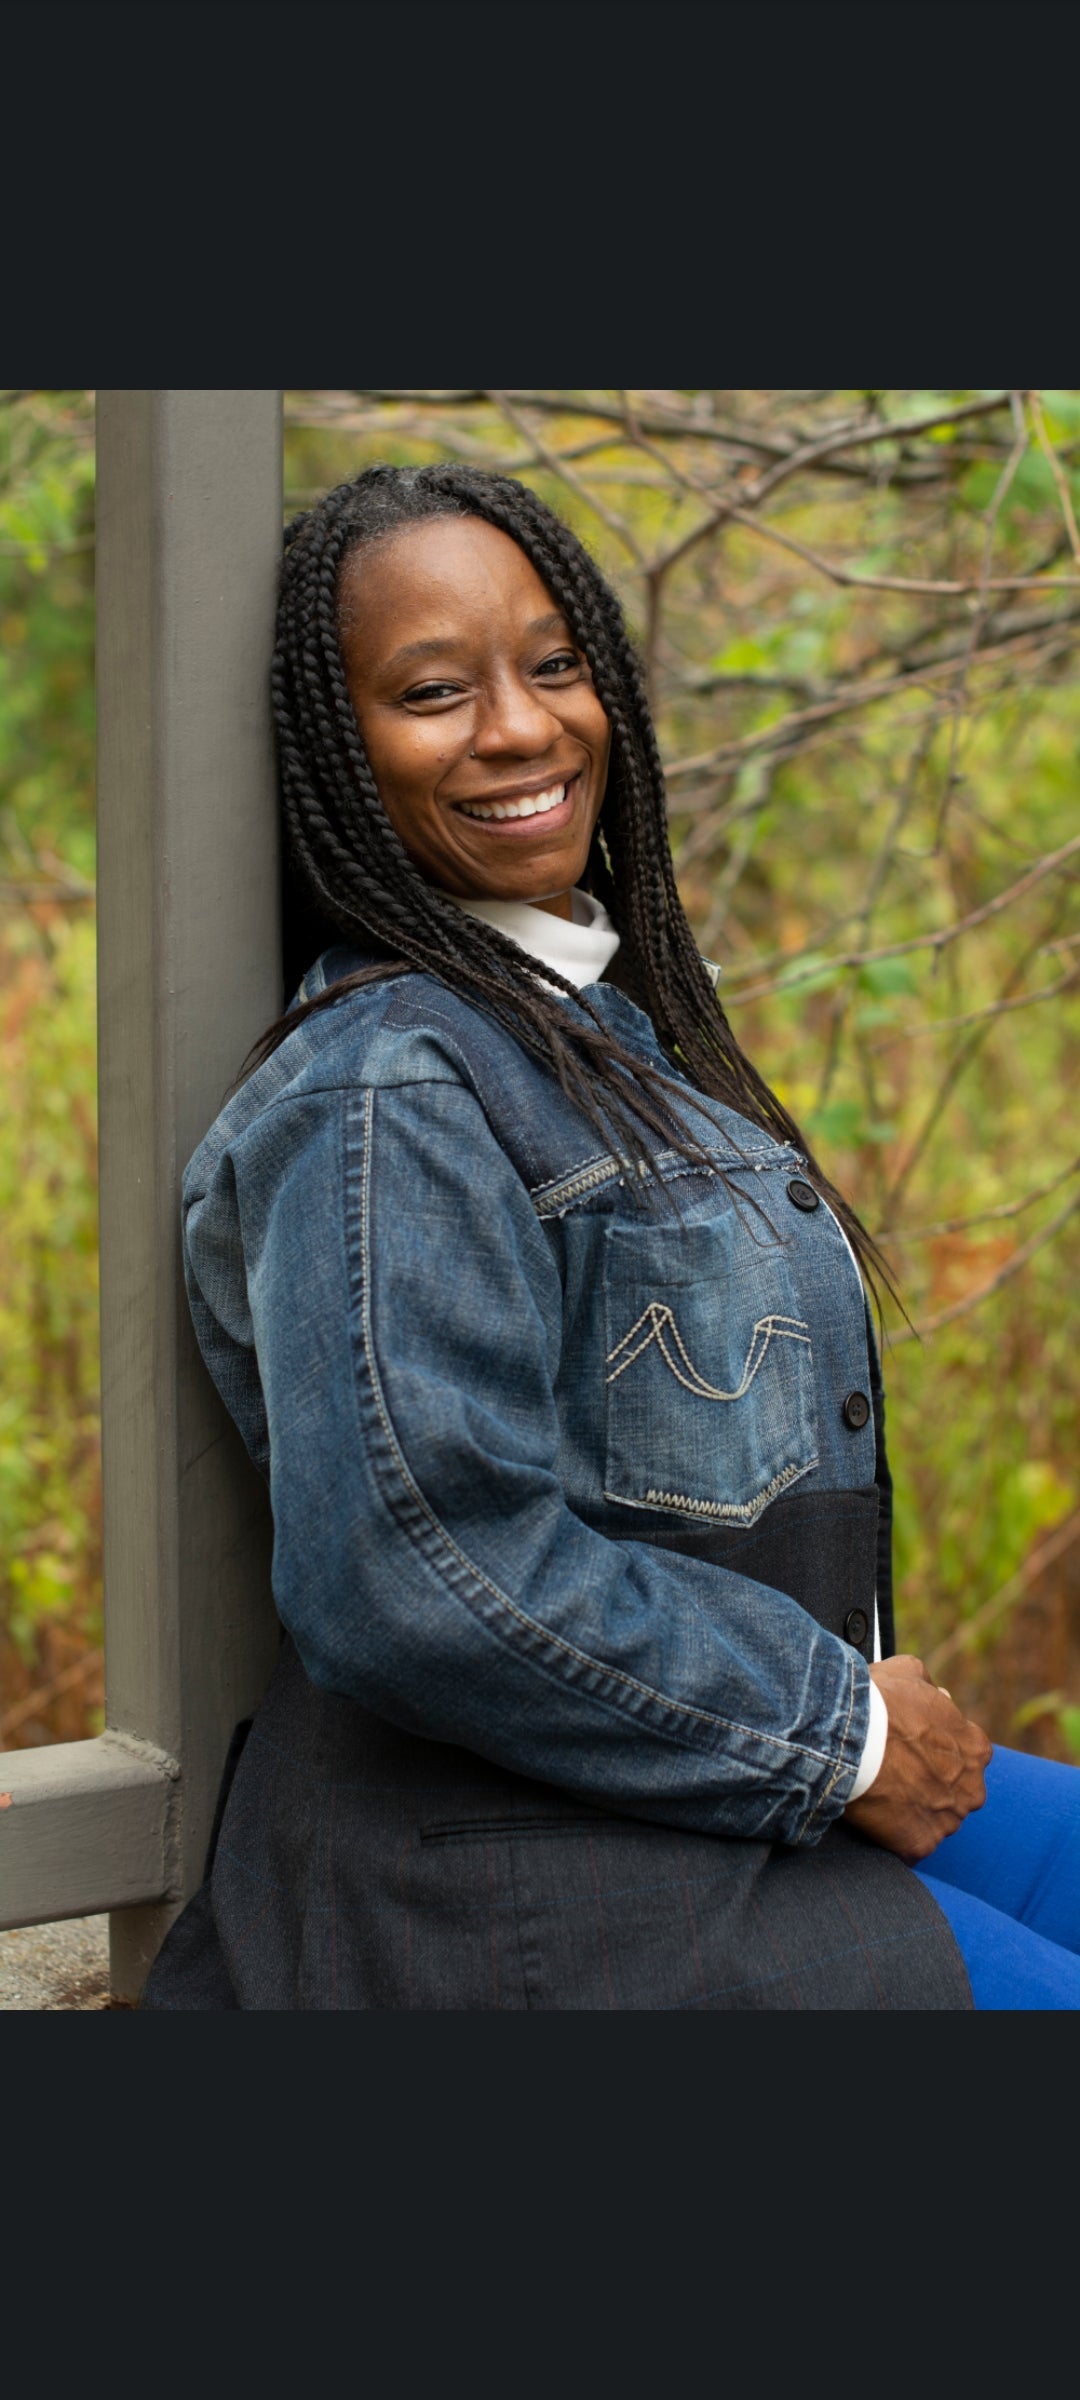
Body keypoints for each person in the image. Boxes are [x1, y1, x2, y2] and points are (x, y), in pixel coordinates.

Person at [142, 464, 1080, 2010]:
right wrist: (839, 1730)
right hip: (508, 1875)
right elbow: (419, 1574)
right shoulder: (389, 1084)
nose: (520, 727)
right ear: (334, 745)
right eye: (433, 690)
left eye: (556, 663)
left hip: (687, 1798)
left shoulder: (596, 1028)